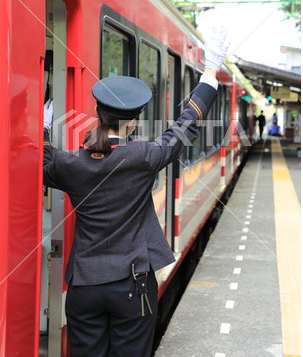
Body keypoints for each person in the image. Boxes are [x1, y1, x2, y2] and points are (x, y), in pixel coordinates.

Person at [43, 26, 231, 357]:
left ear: (98, 115)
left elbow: (41, 161)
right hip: (132, 285)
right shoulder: (142, 157)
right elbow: (185, 125)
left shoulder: (71, 164)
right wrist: (210, 72)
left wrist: (44, 127)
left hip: (84, 286)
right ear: (132, 122)